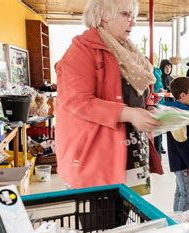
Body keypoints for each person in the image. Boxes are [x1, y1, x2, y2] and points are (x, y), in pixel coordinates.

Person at [55, 0, 162, 191]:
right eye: (125, 14)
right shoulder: (81, 51)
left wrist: (149, 108)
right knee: (102, 218)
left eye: (134, 16)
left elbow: (138, 95)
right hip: (97, 162)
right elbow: (77, 101)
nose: (132, 22)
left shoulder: (128, 52)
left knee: (133, 218)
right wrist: (129, 114)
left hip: (133, 155)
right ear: (104, 15)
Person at [163, 77, 189, 211]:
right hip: (182, 162)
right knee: (187, 193)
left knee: (180, 191)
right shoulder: (179, 115)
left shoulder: (182, 112)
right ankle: (180, 224)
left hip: (181, 161)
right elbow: (181, 143)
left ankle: (175, 220)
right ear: (183, 96)